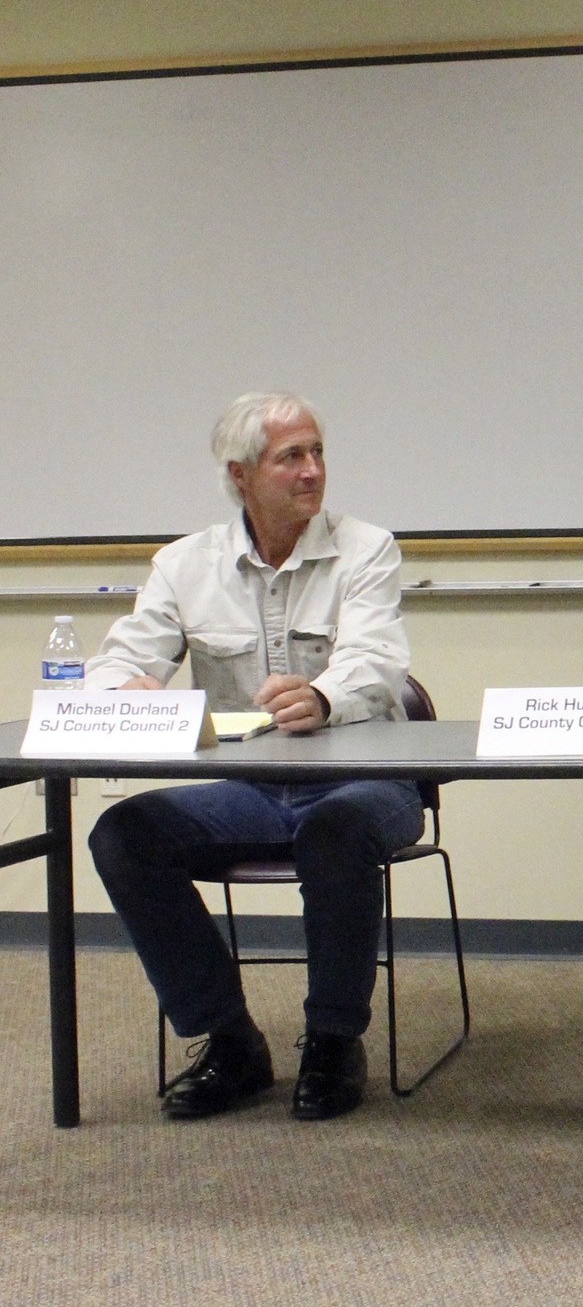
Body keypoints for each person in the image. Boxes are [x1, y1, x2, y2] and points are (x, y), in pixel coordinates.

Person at [86, 392, 419, 1122]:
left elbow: (376, 660)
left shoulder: (366, 547)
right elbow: (118, 660)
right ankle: (230, 1041)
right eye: (290, 456)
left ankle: (334, 1039)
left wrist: (326, 697)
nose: (312, 471)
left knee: (336, 830)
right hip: (251, 787)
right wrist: (126, 691)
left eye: (317, 452)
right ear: (240, 474)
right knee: (124, 834)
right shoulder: (183, 564)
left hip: (365, 781)